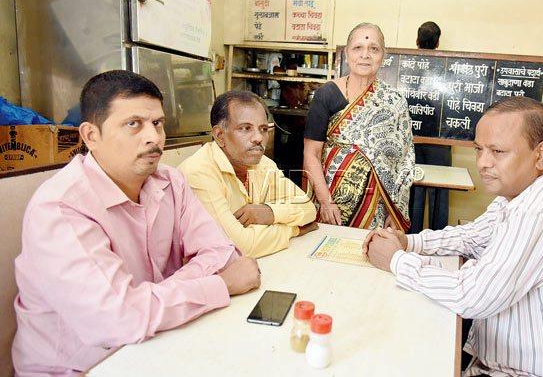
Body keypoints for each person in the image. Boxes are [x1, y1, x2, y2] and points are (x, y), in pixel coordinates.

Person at [12, 70, 261, 375]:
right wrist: (218, 285)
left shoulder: (171, 182)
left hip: (154, 344)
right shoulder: (61, 209)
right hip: (81, 369)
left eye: (157, 123)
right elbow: (117, 319)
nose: (153, 137)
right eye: (134, 124)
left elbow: (222, 254)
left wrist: (149, 303)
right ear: (91, 136)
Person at [364, 97, 543, 376]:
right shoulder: (521, 192)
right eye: (479, 149)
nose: (483, 163)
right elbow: (475, 236)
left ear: (541, 154)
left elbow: (472, 296)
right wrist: (410, 242)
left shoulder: (539, 212)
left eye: (497, 151)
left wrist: (396, 261)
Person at [178, 91, 318, 258]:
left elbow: (308, 208)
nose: (258, 138)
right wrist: (295, 229)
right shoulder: (199, 172)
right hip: (208, 276)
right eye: (245, 128)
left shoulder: (262, 164)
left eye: (263, 129)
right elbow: (241, 247)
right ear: (219, 136)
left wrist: (270, 212)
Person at [303, 22, 415, 231]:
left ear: (384, 55)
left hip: (379, 206)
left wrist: (396, 209)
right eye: (358, 48)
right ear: (347, 54)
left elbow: (405, 159)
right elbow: (311, 153)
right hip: (331, 201)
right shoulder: (326, 94)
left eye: (374, 48)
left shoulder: (395, 101)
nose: (365, 55)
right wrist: (326, 202)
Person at [410, 21, 452, 234]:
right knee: (440, 191)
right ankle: (439, 239)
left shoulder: (406, 66)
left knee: (414, 189)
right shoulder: (446, 68)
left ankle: (411, 237)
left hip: (412, 137)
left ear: (417, 41)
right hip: (440, 138)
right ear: (438, 42)